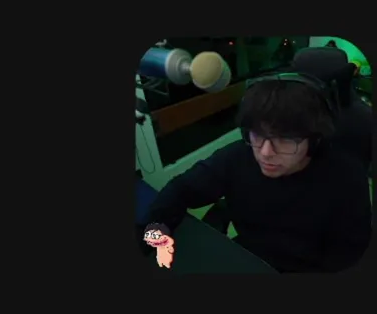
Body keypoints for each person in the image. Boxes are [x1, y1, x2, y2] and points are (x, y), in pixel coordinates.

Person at [141, 75, 371, 273]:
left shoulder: (347, 176)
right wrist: (152, 234)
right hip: (247, 259)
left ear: (314, 140)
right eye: (258, 135)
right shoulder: (237, 156)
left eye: (285, 139)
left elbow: (347, 256)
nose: (265, 152)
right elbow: (181, 190)